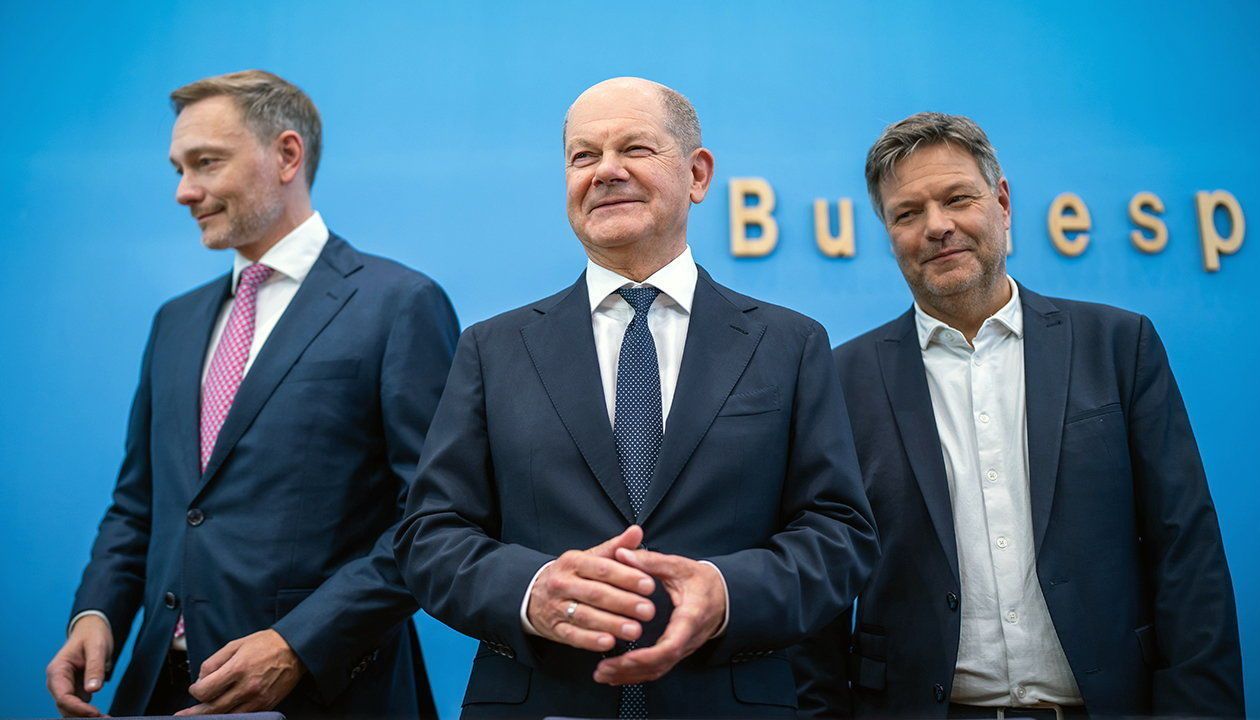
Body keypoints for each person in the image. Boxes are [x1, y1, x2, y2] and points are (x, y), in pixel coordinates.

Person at [393, 76, 878, 719]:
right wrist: (532, 590)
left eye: (636, 149)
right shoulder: (493, 348)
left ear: (698, 174)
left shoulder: (789, 344)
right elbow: (429, 535)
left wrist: (728, 592)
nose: (605, 171)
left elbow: (839, 535)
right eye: (583, 156)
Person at [45, 70, 458, 717]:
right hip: (161, 689)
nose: (185, 191)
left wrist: (298, 643)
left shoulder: (399, 304)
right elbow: (140, 505)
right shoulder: (174, 322)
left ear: (287, 155)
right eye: (179, 168)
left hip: (328, 693)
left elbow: (433, 519)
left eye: (206, 163)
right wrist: (95, 615)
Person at [819, 111, 1244, 717]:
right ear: (888, 233)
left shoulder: (1118, 346)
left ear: (1002, 201)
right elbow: (827, 582)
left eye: (957, 198)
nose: (937, 227)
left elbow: (1188, 552)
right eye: (907, 213)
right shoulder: (841, 379)